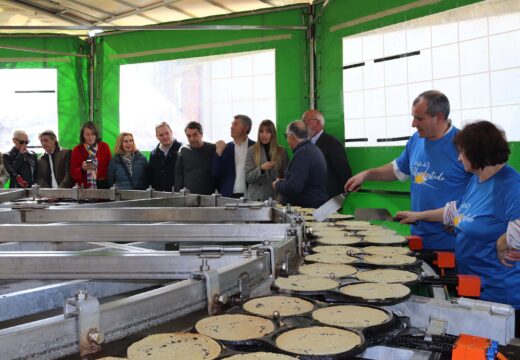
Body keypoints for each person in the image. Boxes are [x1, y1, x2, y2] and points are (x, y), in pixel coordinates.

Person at [396, 121, 520, 334]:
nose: (459, 158)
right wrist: (419, 216)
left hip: (500, 296)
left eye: (462, 152)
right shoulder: (478, 179)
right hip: (473, 287)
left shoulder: (510, 185)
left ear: (477, 153)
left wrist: (503, 240)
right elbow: (457, 211)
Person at [345, 90, 472, 251]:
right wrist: (367, 174)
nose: (413, 124)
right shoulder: (416, 139)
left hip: (452, 244)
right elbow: (397, 170)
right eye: (413, 117)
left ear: (438, 117)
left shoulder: (463, 145)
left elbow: (480, 195)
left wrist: (460, 218)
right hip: (418, 238)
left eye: (419, 118)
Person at [273, 121, 328, 208]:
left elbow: (294, 188)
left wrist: (277, 184)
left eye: (286, 136)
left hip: (308, 208)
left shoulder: (303, 153)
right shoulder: (312, 149)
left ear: (292, 137)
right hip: (316, 205)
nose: (287, 140)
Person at [302, 109, 352, 197]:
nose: (302, 124)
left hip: (328, 198)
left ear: (317, 123)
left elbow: (344, 173)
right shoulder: (305, 144)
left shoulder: (332, 143)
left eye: (305, 120)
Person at [244, 119, 288, 201]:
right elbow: (248, 178)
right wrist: (261, 169)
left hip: (276, 199)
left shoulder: (282, 151)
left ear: (272, 134)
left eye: (268, 132)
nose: (264, 135)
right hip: (256, 200)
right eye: (261, 132)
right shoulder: (252, 150)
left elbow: (287, 178)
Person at [212, 115, 255, 198]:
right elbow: (215, 173)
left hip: (250, 196)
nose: (231, 127)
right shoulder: (224, 148)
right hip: (228, 196)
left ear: (245, 128)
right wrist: (218, 153)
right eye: (232, 125)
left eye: (235, 124)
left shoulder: (255, 147)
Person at [175, 122, 216, 195]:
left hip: (210, 196)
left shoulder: (212, 148)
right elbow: (179, 176)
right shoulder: (183, 150)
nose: (192, 138)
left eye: (195, 135)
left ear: (201, 134)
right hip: (188, 197)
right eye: (189, 136)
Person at [70, 121, 112, 189]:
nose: (90, 137)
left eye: (92, 134)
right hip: (85, 187)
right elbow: (73, 173)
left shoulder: (104, 146)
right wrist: (82, 169)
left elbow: (110, 168)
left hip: (104, 185)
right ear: (83, 135)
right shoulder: (77, 150)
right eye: (87, 134)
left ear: (96, 134)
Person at [148, 122, 182, 192]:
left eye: (167, 133)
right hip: (158, 196)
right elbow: (151, 176)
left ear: (171, 132)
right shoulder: (153, 154)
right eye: (161, 135)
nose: (165, 137)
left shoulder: (182, 150)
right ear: (157, 136)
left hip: (178, 195)